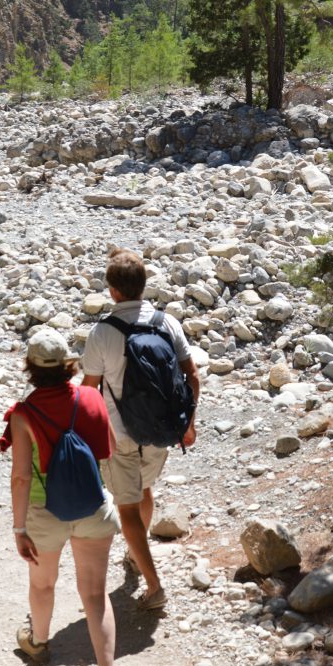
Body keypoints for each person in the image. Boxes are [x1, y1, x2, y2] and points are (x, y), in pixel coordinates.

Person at [0, 327, 122, 666]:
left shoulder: (23, 414)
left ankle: (38, 643)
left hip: (44, 512)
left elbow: (21, 477)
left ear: (31, 368)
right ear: (68, 364)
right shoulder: (90, 397)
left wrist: (19, 528)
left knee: (43, 584)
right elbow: (109, 450)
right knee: (95, 594)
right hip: (91, 505)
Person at [82, 249, 200, 611]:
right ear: (143, 285)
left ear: (113, 291)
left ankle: (153, 586)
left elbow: (88, 390)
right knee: (144, 489)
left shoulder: (102, 332)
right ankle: (138, 553)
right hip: (162, 429)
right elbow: (191, 376)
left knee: (126, 506)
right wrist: (188, 423)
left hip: (119, 434)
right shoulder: (167, 323)